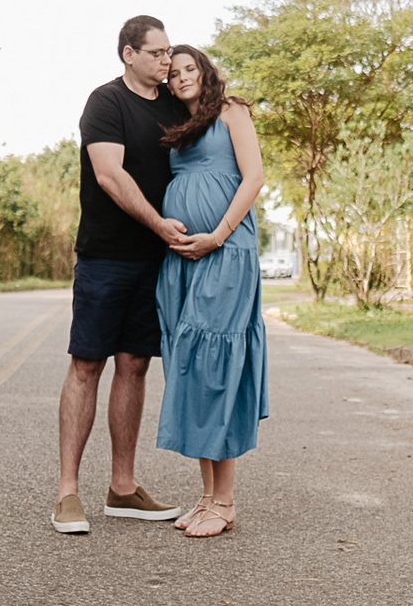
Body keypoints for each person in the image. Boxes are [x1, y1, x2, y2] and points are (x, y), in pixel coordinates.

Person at [51, 15, 189, 534]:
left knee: (134, 364)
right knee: (87, 365)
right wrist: (161, 226)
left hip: (156, 262)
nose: (166, 60)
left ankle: (123, 488)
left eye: (169, 52)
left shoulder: (175, 107)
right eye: (156, 52)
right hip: (106, 256)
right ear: (129, 54)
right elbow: (110, 174)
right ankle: (68, 493)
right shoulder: (105, 102)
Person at [156, 44, 268, 539]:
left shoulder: (231, 110)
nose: (181, 77)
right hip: (183, 260)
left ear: (205, 69)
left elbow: (254, 178)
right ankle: (206, 497)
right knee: (194, 369)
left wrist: (216, 236)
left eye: (189, 68)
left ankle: (224, 501)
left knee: (217, 368)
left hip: (225, 252)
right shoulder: (181, 127)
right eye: (174, 72)